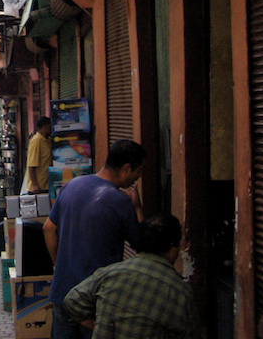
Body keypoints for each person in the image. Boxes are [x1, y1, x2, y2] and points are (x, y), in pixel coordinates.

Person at [43, 139, 147, 339]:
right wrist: (138, 208)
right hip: (96, 300)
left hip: (63, 292)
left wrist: (61, 266)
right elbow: (142, 246)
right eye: (139, 170)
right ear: (126, 168)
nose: (139, 176)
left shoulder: (72, 185)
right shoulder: (121, 201)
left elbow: (48, 229)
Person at [63, 213, 199, 339]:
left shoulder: (109, 274)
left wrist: (97, 324)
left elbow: (72, 301)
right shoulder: (180, 292)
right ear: (172, 246)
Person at [23, 116, 52, 194]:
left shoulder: (47, 140)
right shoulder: (36, 141)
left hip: (47, 184)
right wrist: (35, 185)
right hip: (38, 188)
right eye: (50, 127)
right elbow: (31, 165)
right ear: (45, 127)